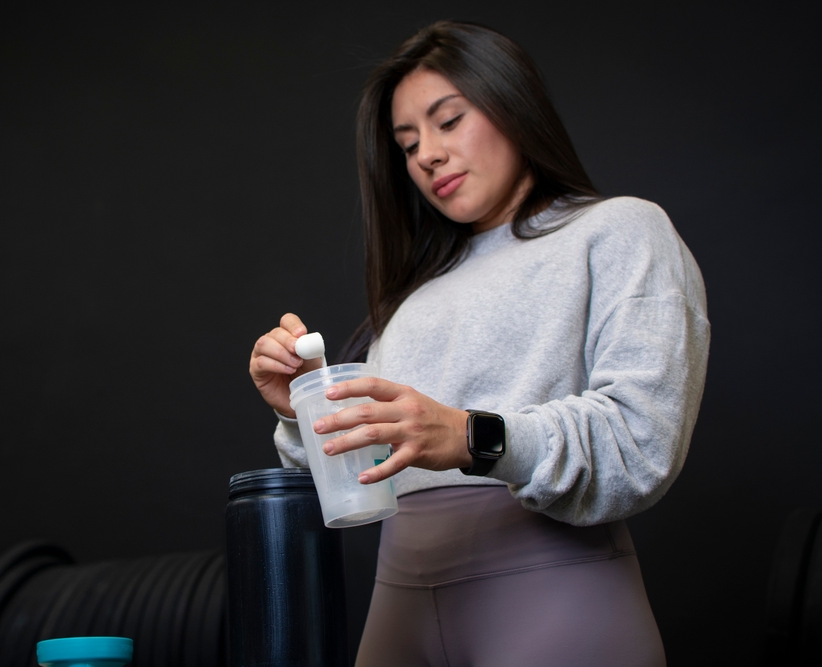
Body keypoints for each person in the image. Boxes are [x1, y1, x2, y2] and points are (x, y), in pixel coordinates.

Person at [248, 20, 708, 667]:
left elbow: (640, 441)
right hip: (397, 606)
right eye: (407, 144)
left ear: (512, 104)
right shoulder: (414, 296)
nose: (426, 155)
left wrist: (470, 435)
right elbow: (364, 473)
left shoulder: (620, 231)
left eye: (448, 120)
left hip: (552, 599)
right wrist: (305, 407)